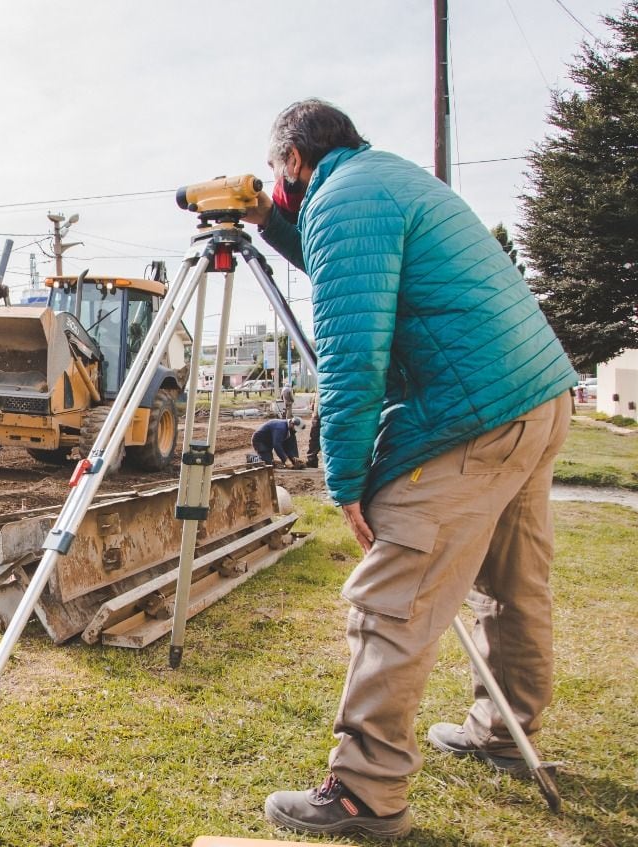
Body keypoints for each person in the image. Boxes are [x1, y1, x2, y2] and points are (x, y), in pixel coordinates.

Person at [241, 99, 576, 838]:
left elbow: (352, 353)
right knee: (514, 579)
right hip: (537, 397)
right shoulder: (382, 182)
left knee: (394, 595)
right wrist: (272, 225)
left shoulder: (339, 203)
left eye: (276, 174)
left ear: (294, 160)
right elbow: (357, 268)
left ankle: (365, 788)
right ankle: (504, 729)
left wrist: (347, 479)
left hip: (472, 413)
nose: (277, 185)